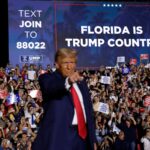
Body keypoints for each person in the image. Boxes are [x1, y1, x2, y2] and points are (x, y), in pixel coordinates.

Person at [32, 48, 97, 150]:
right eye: (65, 62)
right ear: (57, 64)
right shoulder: (47, 78)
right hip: (60, 139)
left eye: (72, 62)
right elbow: (52, 88)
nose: (69, 66)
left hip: (83, 139)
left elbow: (89, 112)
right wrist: (68, 82)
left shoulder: (81, 82)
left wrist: (92, 139)